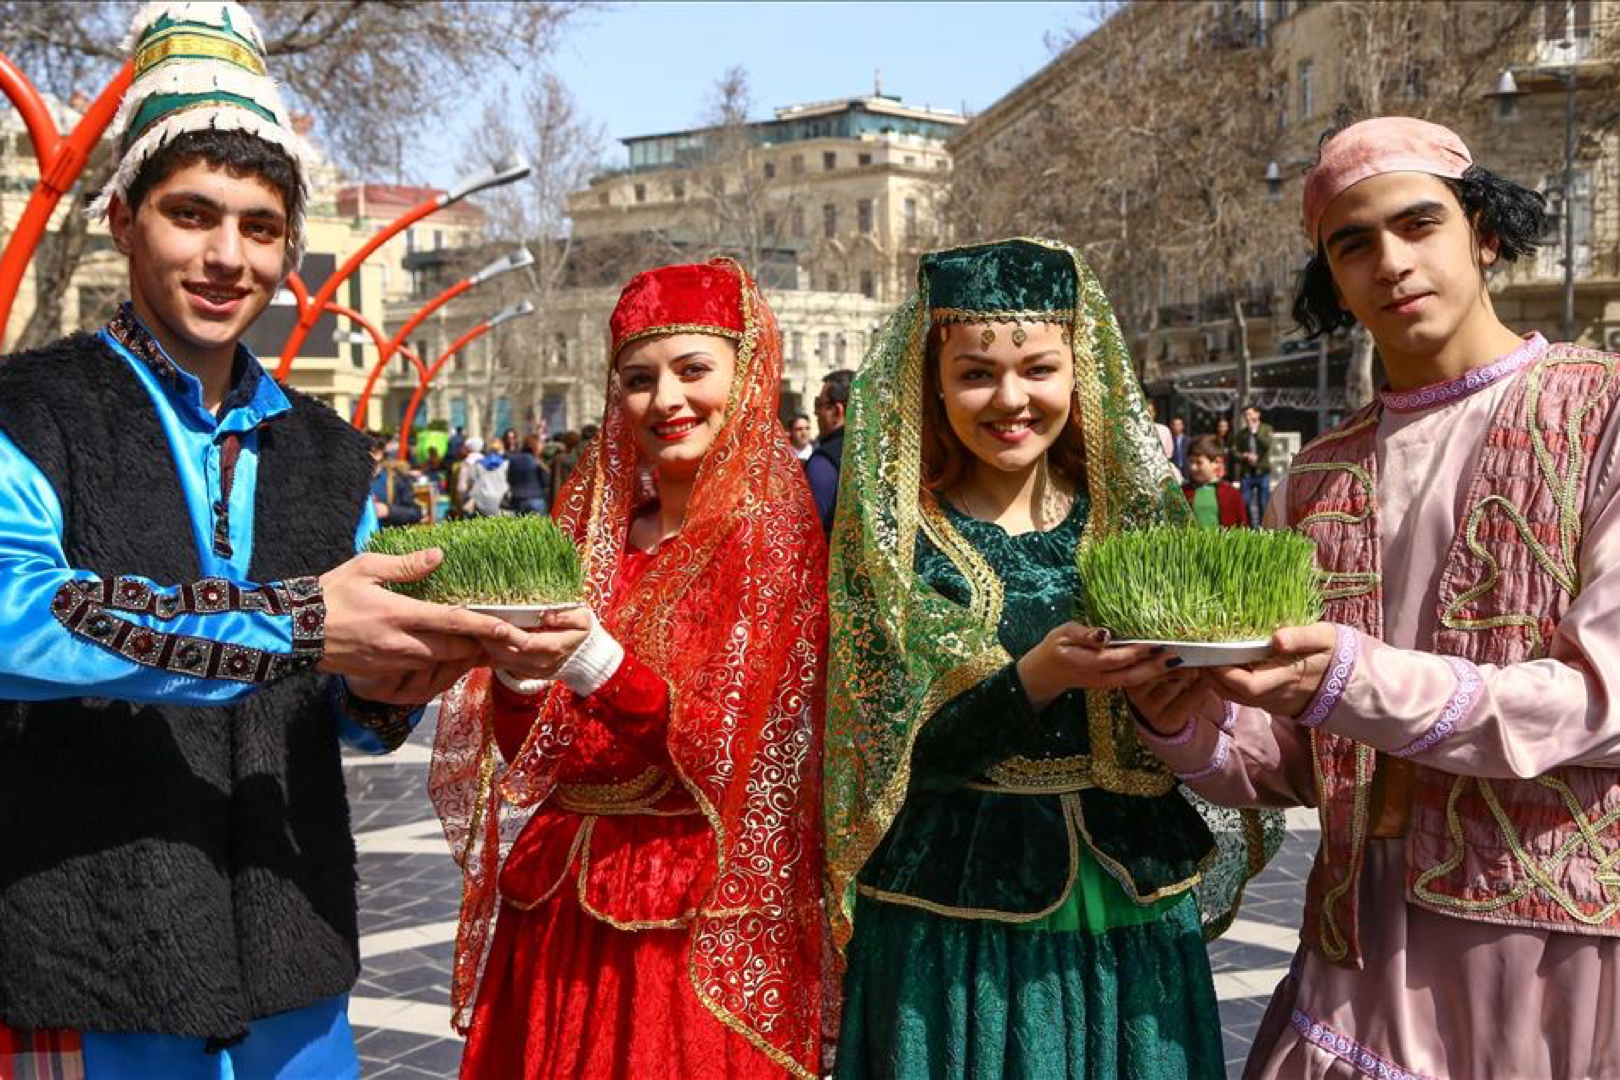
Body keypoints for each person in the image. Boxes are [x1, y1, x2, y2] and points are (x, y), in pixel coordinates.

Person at [0, 6, 518, 1077]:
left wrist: (406, 674)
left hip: (293, 950)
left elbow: (339, 714)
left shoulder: (333, 451)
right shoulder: (32, 407)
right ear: (121, 219)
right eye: (193, 215)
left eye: (261, 225)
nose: (228, 256)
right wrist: (304, 622)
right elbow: (16, 616)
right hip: (95, 950)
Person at [1128, 116, 1620, 1080]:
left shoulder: (1600, 412)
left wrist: (1355, 677)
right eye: (1354, 244)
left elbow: (1602, 699)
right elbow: (1299, 764)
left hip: (1553, 949)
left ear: (1483, 230)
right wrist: (1187, 722)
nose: (1391, 261)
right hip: (1356, 940)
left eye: (1419, 223)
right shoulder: (1317, 473)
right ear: (1332, 277)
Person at [824, 238, 1279, 1080]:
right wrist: (1036, 678)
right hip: (955, 908)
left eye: (1037, 369)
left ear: (1080, 371)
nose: (1011, 399)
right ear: (933, 383)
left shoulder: (1133, 528)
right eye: (975, 375)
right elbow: (880, 757)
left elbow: (1192, 724)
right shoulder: (898, 545)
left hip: (1128, 895)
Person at [431, 259, 828, 1079]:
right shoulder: (592, 542)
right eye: (639, 380)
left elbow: (728, 754)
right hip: (554, 914)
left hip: (685, 924)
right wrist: (517, 676)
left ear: (748, 377)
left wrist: (596, 662)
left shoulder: (773, 548)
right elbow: (530, 755)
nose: (665, 401)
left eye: (692, 371)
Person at [805, 369, 852, 534]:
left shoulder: (823, 462)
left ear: (837, 411)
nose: (816, 413)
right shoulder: (881, 452)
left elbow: (811, 529)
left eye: (820, 405)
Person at [1181, 434, 1246, 528]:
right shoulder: (1183, 493)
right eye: (1191, 462)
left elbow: (1241, 525)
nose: (1193, 467)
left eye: (1199, 462)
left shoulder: (1231, 494)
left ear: (1216, 462)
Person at [370, 433, 425, 527]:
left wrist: (388, 511)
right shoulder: (351, 479)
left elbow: (416, 513)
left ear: (379, 453)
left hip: (386, 537)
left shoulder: (396, 479)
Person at [1232, 404, 1273, 526]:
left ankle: (1264, 528)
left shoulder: (1266, 429)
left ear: (1257, 414)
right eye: (1246, 415)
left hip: (1262, 471)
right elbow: (1234, 452)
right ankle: (1250, 528)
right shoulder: (1242, 433)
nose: (1248, 417)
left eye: (1250, 414)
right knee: (1245, 502)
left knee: (1263, 503)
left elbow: (1267, 444)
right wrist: (1244, 456)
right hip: (1247, 473)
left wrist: (1255, 432)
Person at [505, 434, 548, 516]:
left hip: (518, 499)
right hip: (536, 498)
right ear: (535, 445)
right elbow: (545, 481)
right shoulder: (537, 461)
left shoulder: (513, 459)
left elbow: (509, 479)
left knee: (522, 527)